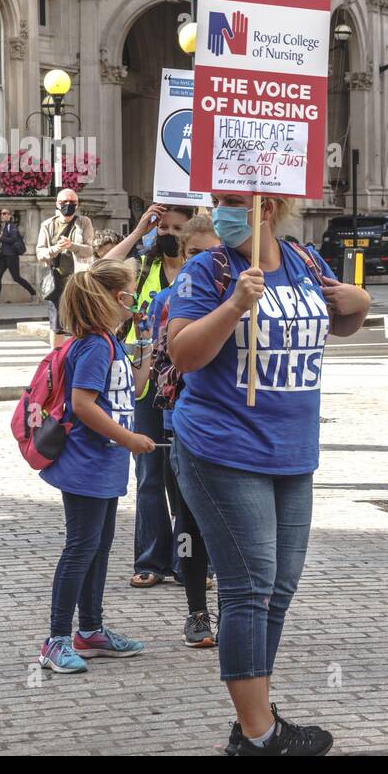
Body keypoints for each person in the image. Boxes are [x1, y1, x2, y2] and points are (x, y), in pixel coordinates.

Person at [167, 194, 370, 757]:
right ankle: (259, 735)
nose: (224, 210)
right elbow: (181, 353)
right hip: (223, 450)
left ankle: (253, 720)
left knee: (277, 590)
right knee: (248, 587)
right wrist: (233, 306)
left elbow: (345, 321)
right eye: (219, 201)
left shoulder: (305, 262)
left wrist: (360, 296)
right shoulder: (210, 269)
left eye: (235, 201)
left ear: (268, 205)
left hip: (292, 453)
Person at [36, 259, 155, 675]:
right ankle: (55, 639)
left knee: (99, 547)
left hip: (106, 463)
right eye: (131, 291)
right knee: (80, 548)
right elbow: (83, 404)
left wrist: (149, 345)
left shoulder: (110, 342)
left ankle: (90, 629)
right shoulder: (92, 347)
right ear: (114, 298)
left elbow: (134, 389)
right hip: (88, 462)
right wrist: (129, 439)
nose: (135, 298)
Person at [104, 203, 196, 589]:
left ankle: (191, 561)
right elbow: (100, 271)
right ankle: (150, 560)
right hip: (143, 380)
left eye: (178, 228)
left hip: (188, 380)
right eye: (164, 227)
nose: (170, 234)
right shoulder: (142, 268)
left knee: (188, 475)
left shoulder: (204, 268)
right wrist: (140, 226)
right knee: (148, 472)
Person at [146, 215, 221, 648]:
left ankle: (233, 605)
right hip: (183, 425)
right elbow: (161, 363)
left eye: (211, 254)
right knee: (188, 521)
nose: (201, 263)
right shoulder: (168, 300)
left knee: (232, 528)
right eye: (193, 254)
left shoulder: (239, 293)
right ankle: (197, 612)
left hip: (231, 430)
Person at [36, 189, 95, 347]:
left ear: (77, 204)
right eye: (64, 202)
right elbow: (40, 253)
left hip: (78, 281)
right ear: (57, 204)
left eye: (72, 203)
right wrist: (56, 248)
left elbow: (90, 250)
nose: (68, 205)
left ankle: (76, 354)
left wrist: (72, 246)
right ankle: (55, 359)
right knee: (56, 325)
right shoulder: (47, 225)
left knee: (80, 321)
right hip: (57, 281)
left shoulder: (83, 222)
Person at [0, 207, 37, 305]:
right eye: (1, 213)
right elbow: (6, 240)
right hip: (2, 256)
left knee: (16, 277)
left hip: (11, 256)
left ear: (10, 215)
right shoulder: (4, 226)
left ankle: (34, 295)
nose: (2, 215)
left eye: (5, 213)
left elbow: (13, 239)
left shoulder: (12, 226)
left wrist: (1, 237)